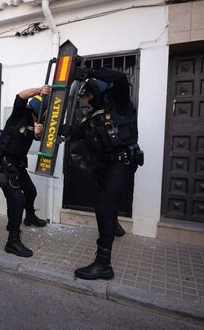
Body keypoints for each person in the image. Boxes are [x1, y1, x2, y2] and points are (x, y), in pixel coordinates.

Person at [61, 67, 142, 280]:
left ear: (97, 91)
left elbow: (120, 77)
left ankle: (103, 264)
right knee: (105, 200)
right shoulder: (94, 115)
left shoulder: (120, 104)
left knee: (104, 206)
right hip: (106, 164)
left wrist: (88, 71)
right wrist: (63, 131)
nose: (87, 99)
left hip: (122, 161)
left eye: (88, 94)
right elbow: (78, 131)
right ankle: (113, 226)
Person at [0, 85, 51, 257]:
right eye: (45, 110)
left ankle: (30, 217)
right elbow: (21, 95)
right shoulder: (20, 113)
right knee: (17, 200)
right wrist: (40, 89)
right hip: (5, 163)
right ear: (40, 109)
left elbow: (35, 136)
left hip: (17, 164)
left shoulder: (36, 122)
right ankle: (12, 241)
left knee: (30, 191)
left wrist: (37, 132)